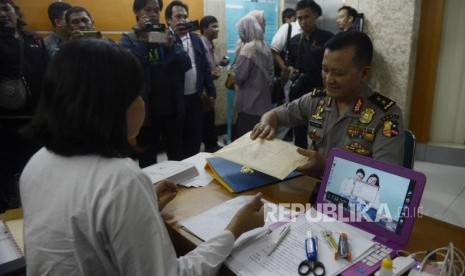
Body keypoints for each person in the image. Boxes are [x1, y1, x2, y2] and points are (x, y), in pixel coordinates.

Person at [19, 38, 265, 275]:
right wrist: (235, 229)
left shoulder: (38, 161)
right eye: (137, 94)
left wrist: (143, 208)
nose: (142, 102)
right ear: (112, 105)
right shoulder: (119, 179)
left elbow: (84, 234)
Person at [251, 31, 405, 178]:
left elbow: (385, 176)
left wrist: (327, 167)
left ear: (364, 73)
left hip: (351, 198)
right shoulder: (317, 100)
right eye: (325, 70)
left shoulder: (386, 115)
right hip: (309, 189)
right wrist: (266, 125)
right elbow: (273, 115)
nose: (329, 79)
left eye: (338, 73)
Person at [120, 0, 191, 167]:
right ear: (137, 12)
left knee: (177, 155)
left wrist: (171, 48)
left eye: (156, 10)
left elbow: (185, 65)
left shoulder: (169, 35)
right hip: (146, 112)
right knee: (148, 159)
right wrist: (143, 40)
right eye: (148, 9)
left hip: (172, 108)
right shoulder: (129, 39)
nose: (153, 14)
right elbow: (129, 69)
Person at [0, 0, 48, 212]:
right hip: (2, 124)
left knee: (36, 173)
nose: (1, 14)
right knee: (4, 177)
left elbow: (49, 77)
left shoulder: (35, 40)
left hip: (34, 121)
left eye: (5, 8)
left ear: (15, 13)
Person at [165, 0, 216, 159]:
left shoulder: (195, 39)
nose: (183, 20)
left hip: (195, 98)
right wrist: (173, 43)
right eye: (178, 16)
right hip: (175, 100)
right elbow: (166, 67)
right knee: (176, 144)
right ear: (168, 20)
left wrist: (211, 91)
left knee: (194, 140)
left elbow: (204, 67)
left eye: (185, 16)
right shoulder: (164, 41)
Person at [286, 0, 333, 149]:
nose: (303, 21)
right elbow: (289, 63)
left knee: (320, 132)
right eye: (299, 18)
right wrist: (291, 70)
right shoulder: (293, 40)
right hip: (299, 91)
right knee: (298, 131)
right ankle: (298, 163)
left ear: (316, 16)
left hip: (320, 92)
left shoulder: (328, 38)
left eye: (307, 17)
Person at [233, 15, 274, 139]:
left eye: (241, 30)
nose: (240, 33)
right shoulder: (264, 45)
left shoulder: (248, 48)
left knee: (247, 138)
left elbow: (239, 77)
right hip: (264, 103)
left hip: (249, 104)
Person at [199, 15, 224, 153]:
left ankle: (211, 144)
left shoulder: (209, 44)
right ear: (204, 29)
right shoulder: (202, 44)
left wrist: (218, 64)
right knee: (207, 117)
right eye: (213, 26)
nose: (217, 29)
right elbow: (201, 69)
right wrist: (211, 74)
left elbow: (210, 64)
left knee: (209, 116)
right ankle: (210, 145)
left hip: (208, 86)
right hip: (203, 88)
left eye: (217, 26)